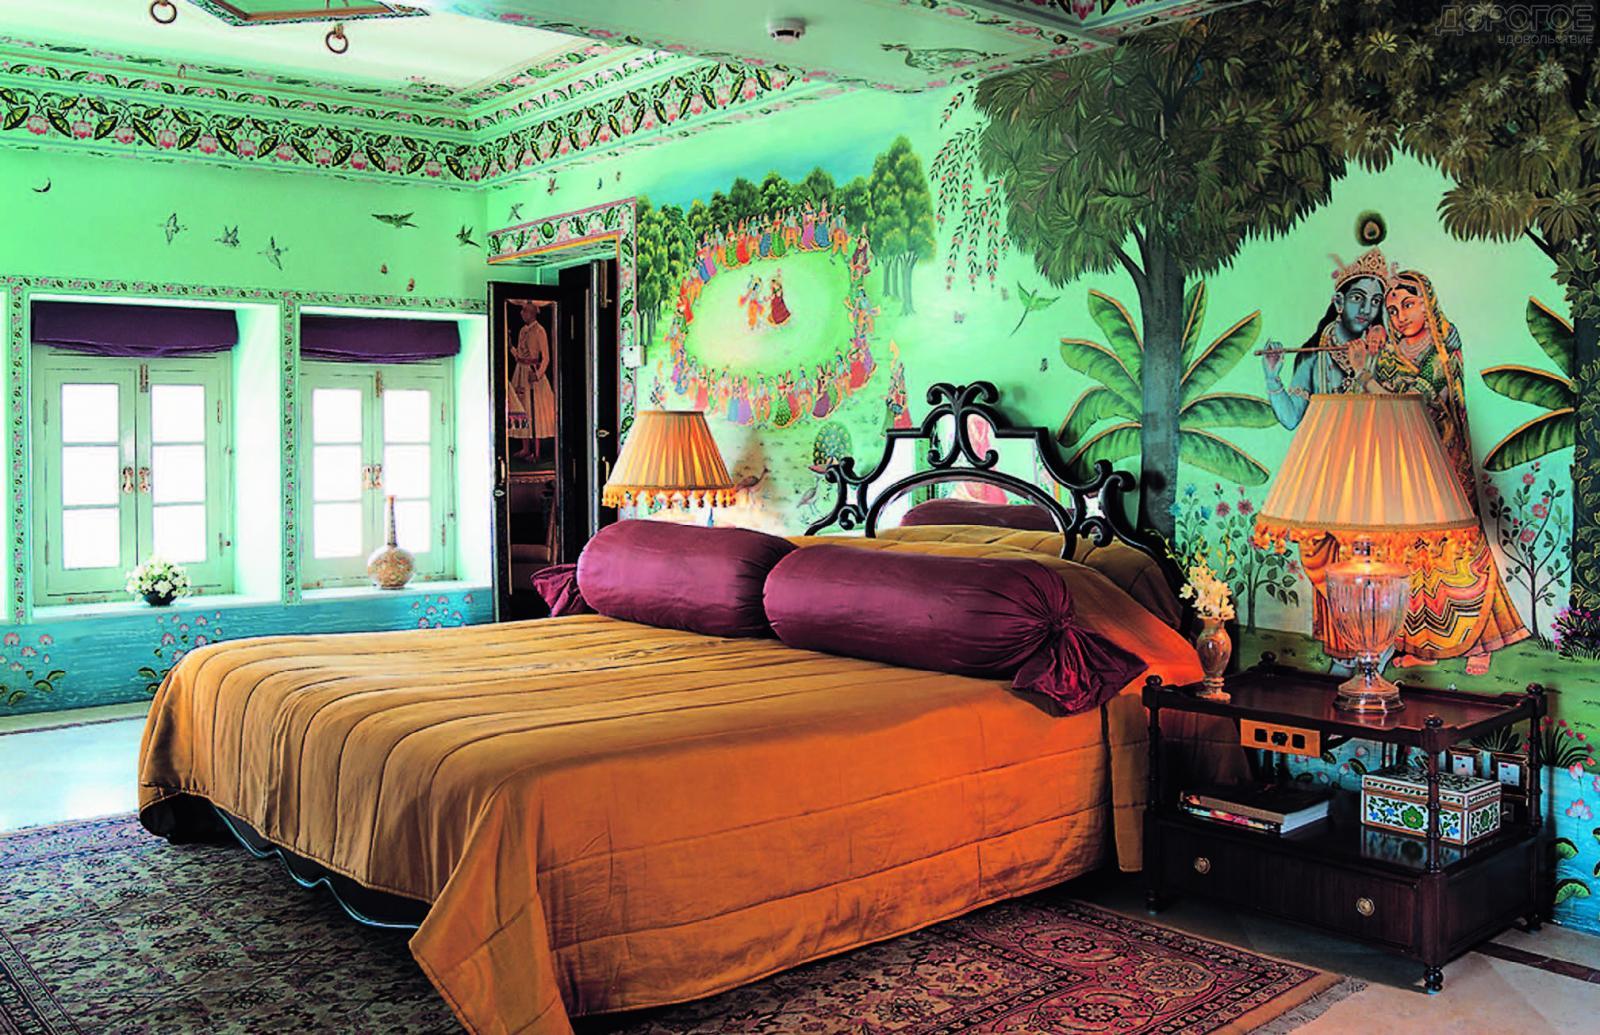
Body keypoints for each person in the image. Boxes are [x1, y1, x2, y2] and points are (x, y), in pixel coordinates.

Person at [1369, 270, 1528, 673]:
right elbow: (1380, 408)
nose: (1401, 316)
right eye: (1393, 310)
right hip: (1404, 468)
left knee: (1461, 556)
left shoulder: (1443, 350)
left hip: (1445, 464)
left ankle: (1481, 642)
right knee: (1412, 558)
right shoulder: (1387, 355)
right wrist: (1370, 365)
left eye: (1408, 304)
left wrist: (1370, 376)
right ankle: (1423, 647)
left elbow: (1424, 402)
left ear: (1427, 304)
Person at [1260, 248, 1394, 658]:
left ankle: (1376, 651)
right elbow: (1290, 418)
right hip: (1325, 476)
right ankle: (1342, 654)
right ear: (1338, 301)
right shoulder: (1313, 357)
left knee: (1371, 564)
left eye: (1375, 301)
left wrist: (1367, 371)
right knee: (1326, 560)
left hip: (1373, 475)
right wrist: (1272, 378)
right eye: (1358, 299)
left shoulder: (1382, 354)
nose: (1367, 310)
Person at [511, 301, 556, 462]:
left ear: (532, 312)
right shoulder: (522, 330)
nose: (522, 313)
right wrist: (511, 347)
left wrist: (537, 375)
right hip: (521, 373)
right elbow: (519, 355)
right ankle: (525, 448)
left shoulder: (539, 331)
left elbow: (546, 357)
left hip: (533, 373)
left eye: (525, 311)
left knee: (534, 410)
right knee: (522, 408)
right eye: (522, 310)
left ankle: (536, 452)